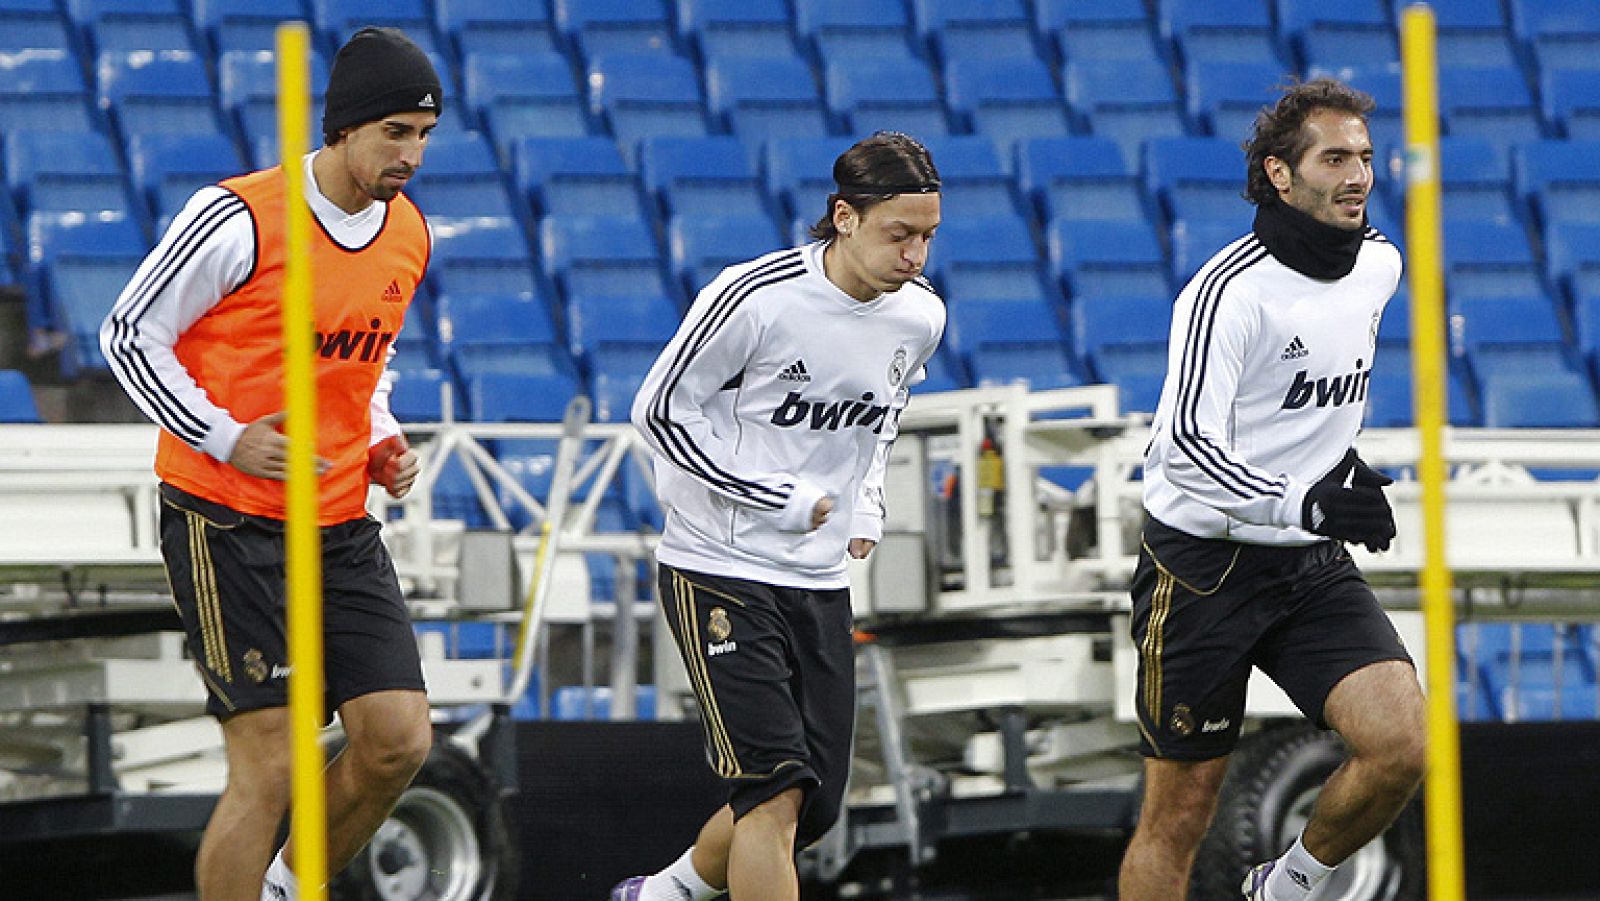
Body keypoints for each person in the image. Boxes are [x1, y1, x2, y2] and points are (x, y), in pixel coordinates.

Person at [99, 27, 441, 901]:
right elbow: (129, 334)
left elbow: (365, 366)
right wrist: (224, 434)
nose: (412, 153)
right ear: (344, 127)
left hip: (338, 519)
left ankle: (289, 887)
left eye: (425, 135)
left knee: (399, 739)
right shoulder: (240, 214)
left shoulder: (409, 233)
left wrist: (382, 439)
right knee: (273, 764)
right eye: (395, 132)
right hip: (228, 519)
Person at [614, 132, 946, 901]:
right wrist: (779, 495)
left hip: (819, 575)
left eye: (928, 236)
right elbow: (658, 412)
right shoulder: (755, 298)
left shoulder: (919, 317)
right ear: (844, 216)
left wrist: (865, 500)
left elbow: (884, 415)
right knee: (773, 790)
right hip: (717, 566)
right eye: (900, 235)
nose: (916, 256)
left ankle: (663, 894)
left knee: (815, 803)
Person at [1117, 78, 1426, 901]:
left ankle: (1281, 889)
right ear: (1279, 176)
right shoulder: (1227, 294)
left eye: (1364, 156)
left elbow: (1315, 393)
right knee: (1178, 818)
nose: (1358, 174)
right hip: (1201, 569)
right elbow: (1182, 449)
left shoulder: (1380, 267)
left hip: (1307, 562)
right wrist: (1304, 497)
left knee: (1401, 743)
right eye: (1334, 158)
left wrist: (1336, 463)